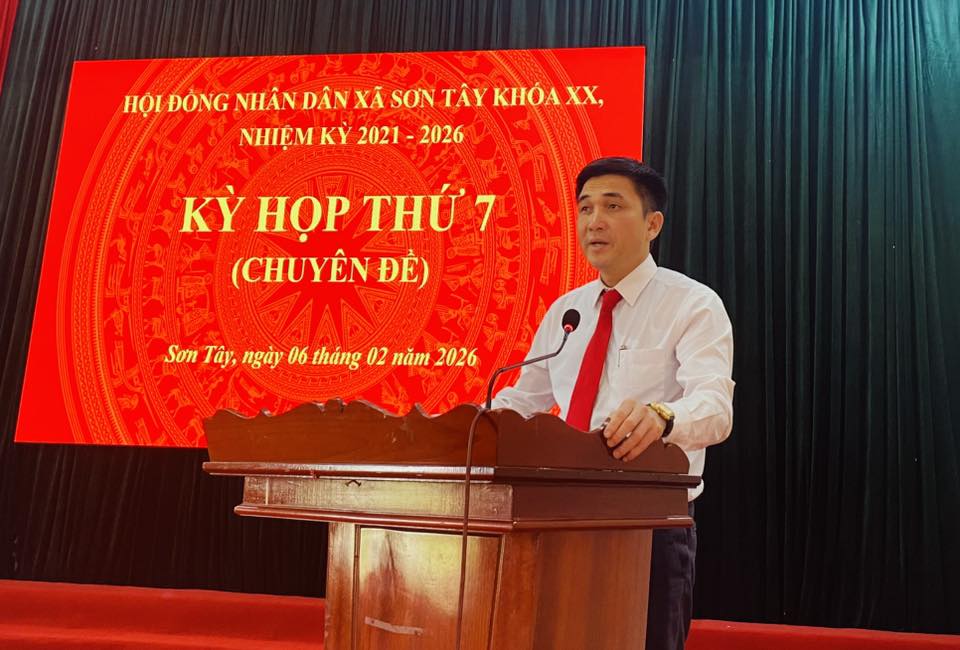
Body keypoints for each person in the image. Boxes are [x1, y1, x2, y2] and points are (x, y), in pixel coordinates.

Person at [492, 157, 734, 650]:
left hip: (648, 526)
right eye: (585, 208)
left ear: (652, 224)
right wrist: (473, 424)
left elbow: (714, 407)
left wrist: (663, 417)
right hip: (557, 519)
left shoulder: (692, 304)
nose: (594, 221)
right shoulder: (567, 311)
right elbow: (524, 398)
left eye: (612, 206)